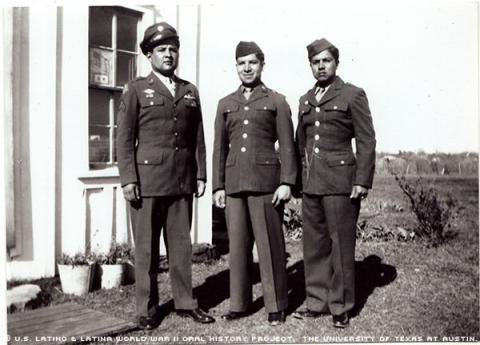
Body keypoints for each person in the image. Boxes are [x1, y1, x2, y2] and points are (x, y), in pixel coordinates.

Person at [116, 22, 214, 330]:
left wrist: (200, 175)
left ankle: (186, 302)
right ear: (149, 54)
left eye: (173, 49)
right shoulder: (135, 89)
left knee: (181, 246)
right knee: (146, 249)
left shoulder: (189, 91)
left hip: (182, 181)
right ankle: (146, 309)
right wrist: (129, 179)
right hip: (147, 183)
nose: (169, 55)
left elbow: (197, 136)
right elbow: (124, 138)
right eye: (161, 50)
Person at [293, 38, 376, 328]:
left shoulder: (352, 94)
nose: (321, 66)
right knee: (314, 245)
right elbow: (298, 143)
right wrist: (295, 181)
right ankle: (317, 301)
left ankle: (340, 305)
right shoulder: (305, 99)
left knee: (340, 245)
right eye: (315, 62)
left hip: (342, 182)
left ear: (336, 62)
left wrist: (362, 180)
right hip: (312, 183)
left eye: (326, 61)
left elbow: (366, 139)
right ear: (311, 66)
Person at [212, 41, 297, 326]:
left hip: (266, 184)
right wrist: (218, 186)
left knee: (270, 245)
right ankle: (239, 303)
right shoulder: (226, 104)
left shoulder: (276, 101)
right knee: (237, 247)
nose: (247, 68)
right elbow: (219, 149)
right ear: (236, 66)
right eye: (241, 63)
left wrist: (286, 182)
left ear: (262, 64)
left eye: (252, 62)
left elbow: (287, 146)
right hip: (234, 184)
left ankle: (276, 304)